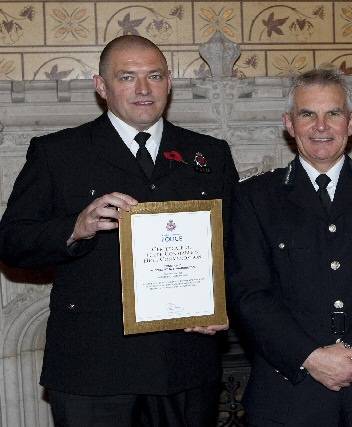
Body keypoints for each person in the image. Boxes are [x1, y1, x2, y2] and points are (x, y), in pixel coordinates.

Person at [0, 35, 238, 426]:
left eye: (154, 76)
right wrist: (75, 228)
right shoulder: (58, 153)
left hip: (185, 362)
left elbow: (237, 246)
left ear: (169, 81)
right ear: (101, 86)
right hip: (94, 367)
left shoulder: (209, 154)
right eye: (127, 77)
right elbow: (11, 242)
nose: (143, 89)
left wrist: (225, 305)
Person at [227, 69, 352, 426]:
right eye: (307, 114)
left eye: (333, 113)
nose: (321, 126)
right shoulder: (254, 197)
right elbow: (248, 293)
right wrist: (310, 356)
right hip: (290, 394)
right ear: (289, 123)